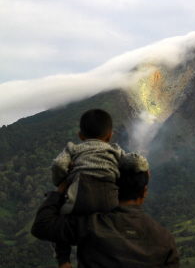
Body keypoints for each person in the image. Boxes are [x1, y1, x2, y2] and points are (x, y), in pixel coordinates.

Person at [49, 109, 149, 265]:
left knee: (57, 222)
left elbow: (58, 164)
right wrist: (144, 169)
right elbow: (137, 162)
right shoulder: (114, 150)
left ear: (80, 136)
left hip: (80, 195)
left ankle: (63, 260)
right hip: (109, 199)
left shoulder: (73, 149)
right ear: (109, 136)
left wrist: (59, 181)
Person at [31, 167, 180, 268]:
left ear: (114, 188)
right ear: (144, 191)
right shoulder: (165, 238)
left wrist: (62, 186)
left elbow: (42, 226)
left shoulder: (92, 225)